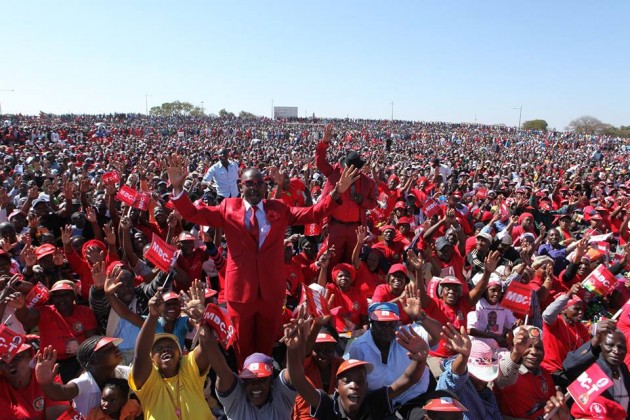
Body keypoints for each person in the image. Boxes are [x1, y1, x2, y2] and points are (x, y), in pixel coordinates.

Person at [167, 153, 359, 362]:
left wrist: (337, 192)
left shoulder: (279, 208)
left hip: (271, 293)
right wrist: (178, 189)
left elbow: (313, 213)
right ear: (241, 186)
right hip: (240, 294)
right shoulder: (228, 208)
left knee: (265, 348)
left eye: (259, 183)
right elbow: (193, 214)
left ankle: (264, 382)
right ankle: (246, 379)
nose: (255, 187)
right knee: (242, 347)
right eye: (249, 183)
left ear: (264, 187)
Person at [286, 309, 430, 420]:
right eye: (347, 381)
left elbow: (408, 379)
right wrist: (292, 348)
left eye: (360, 381)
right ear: (336, 387)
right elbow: (298, 379)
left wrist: (420, 358)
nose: (355, 385)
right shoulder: (328, 405)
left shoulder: (374, 401)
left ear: (367, 387)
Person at [128, 286, 215, 420]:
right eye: (159, 348)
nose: (166, 349)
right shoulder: (149, 383)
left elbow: (207, 347)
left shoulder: (189, 368)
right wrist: (152, 316)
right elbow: (140, 355)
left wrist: (201, 320)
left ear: (180, 354)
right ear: (152, 360)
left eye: (170, 346)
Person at [346, 298, 441, 409]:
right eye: (381, 324)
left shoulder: (408, 334)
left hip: (416, 398)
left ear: (397, 323)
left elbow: (438, 335)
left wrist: (420, 316)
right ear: (371, 323)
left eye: (391, 324)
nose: (386, 329)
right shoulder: (358, 347)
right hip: (381, 403)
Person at [315, 123, 378, 268]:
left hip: (355, 229)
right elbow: (320, 162)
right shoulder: (335, 173)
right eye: (347, 167)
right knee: (332, 261)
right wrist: (324, 142)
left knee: (351, 261)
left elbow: (374, 203)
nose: (348, 170)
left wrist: (362, 200)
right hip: (336, 226)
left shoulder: (368, 182)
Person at [35, 336, 130, 417]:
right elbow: (62, 392)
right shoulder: (84, 382)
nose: (116, 349)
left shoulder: (125, 372)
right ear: (93, 361)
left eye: (114, 346)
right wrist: (45, 382)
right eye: (109, 349)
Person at [493, 326, 555, 419]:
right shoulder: (509, 372)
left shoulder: (545, 374)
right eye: (527, 346)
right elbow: (502, 379)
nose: (534, 351)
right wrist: (516, 353)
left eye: (538, 347)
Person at [564, 329, 630, 417]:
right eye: (610, 345)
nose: (616, 351)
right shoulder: (591, 367)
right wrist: (593, 341)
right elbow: (569, 366)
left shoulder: (623, 368)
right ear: (601, 346)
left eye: (621, 347)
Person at [0, 341, 70, 419]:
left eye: (16, 357)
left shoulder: (46, 378)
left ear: (29, 356)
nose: (10, 363)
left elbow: (59, 416)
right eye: (3, 361)